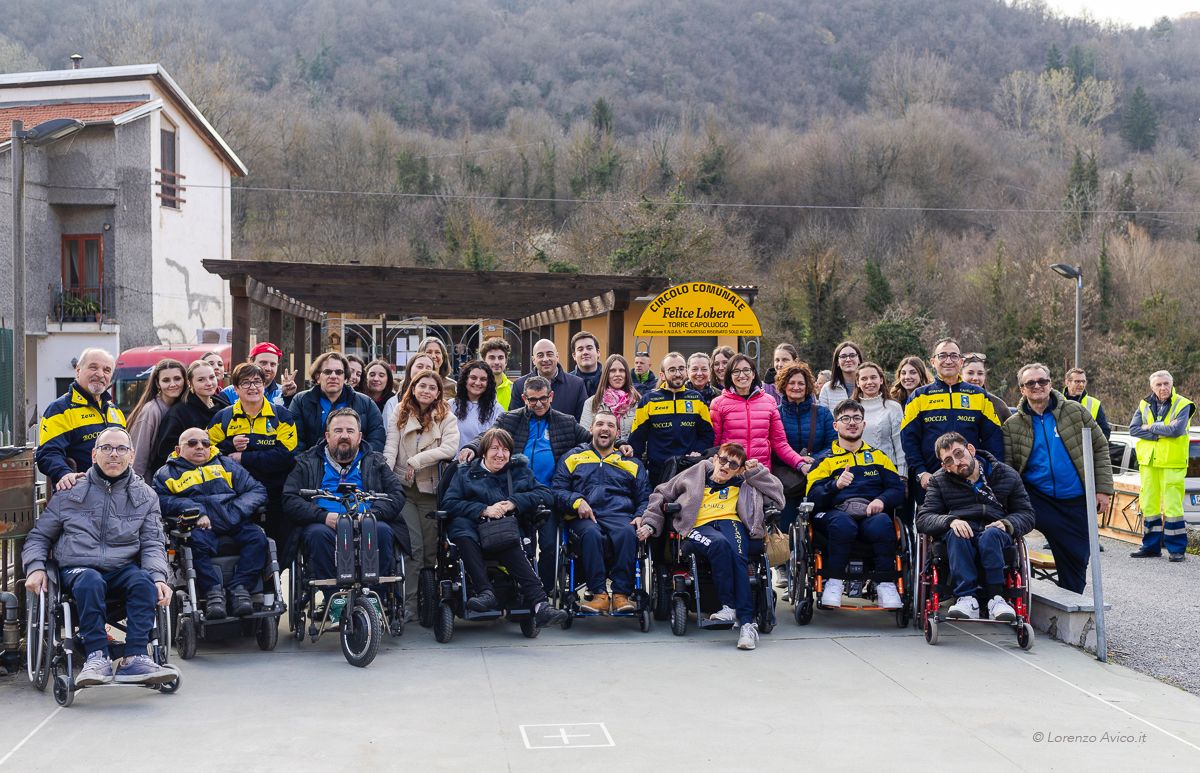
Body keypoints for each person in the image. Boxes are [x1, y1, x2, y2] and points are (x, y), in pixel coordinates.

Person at [23, 427, 175, 686]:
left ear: (131, 455)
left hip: (121, 567)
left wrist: (159, 577)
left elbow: (152, 543)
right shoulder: (69, 491)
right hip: (78, 568)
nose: (113, 454)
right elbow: (39, 537)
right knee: (91, 580)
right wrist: (36, 567)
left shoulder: (146, 495)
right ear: (94, 455)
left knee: (143, 582)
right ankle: (97, 657)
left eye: (121, 449)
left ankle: (135, 657)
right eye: (106, 448)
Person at [639, 442, 785, 650]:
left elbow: (779, 499)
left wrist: (757, 472)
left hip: (731, 523)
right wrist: (650, 523)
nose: (726, 466)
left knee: (739, 557)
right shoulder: (695, 473)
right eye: (723, 460)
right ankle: (729, 607)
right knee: (718, 544)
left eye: (733, 465)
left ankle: (746, 625)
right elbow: (662, 493)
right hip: (696, 526)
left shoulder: (746, 481)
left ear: (740, 469)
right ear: (715, 459)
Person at [461, 376, 591, 592]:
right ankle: (517, 590)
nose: (538, 404)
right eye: (532, 400)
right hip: (515, 492)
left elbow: (591, 439)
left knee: (549, 546)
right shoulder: (509, 419)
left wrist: (621, 444)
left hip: (548, 494)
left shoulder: (566, 421)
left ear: (551, 396)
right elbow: (487, 436)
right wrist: (473, 448)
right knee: (519, 543)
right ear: (523, 398)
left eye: (543, 399)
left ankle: (545, 589)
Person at [441, 427, 569, 628]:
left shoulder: (519, 472)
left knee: (507, 538)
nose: (500, 455)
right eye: (494, 449)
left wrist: (514, 502)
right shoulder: (466, 473)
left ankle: (540, 605)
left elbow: (546, 494)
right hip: (471, 527)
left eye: (505, 450)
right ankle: (486, 592)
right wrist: (484, 509)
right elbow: (448, 503)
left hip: (503, 529)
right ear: (484, 451)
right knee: (463, 534)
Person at [1002, 364, 1112, 592]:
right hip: (1037, 498)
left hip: (1075, 499)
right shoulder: (1012, 426)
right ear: (1022, 389)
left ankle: (1071, 610)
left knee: (1077, 558)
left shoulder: (1075, 412)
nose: (1037, 386)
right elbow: (1008, 468)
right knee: (1005, 536)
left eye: (1042, 381)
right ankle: (1007, 594)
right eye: (1030, 383)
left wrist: (1102, 489)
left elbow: (1100, 447)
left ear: (1050, 384)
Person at [282, 408, 408, 590]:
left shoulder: (376, 461)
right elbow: (289, 498)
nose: (344, 436)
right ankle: (334, 601)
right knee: (316, 535)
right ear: (327, 435)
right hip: (325, 524)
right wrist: (322, 516)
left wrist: (370, 515)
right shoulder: (306, 461)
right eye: (338, 431)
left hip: (367, 521)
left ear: (359, 436)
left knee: (382, 531)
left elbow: (397, 495)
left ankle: (375, 597)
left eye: (350, 431)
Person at [916, 432, 1034, 621]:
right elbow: (924, 518)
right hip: (961, 532)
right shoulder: (939, 481)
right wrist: (950, 521)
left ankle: (997, 598)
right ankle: (966, 598)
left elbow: (1027, 514)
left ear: (970, 449)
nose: (957, 462)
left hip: (996, 530)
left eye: (959, 453)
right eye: (948, 460)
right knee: (956, 533)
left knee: (991, 535)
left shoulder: (1005, 474)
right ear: (944, 466)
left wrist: (1008, 523)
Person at [153, 427, 269, 618]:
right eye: (192, 443)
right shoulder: (166, 473)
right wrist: (195, 511)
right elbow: (161, 500)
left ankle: (240, 589)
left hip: (233, 520)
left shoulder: (226, 465)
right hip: (198, 526)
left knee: (258, 539)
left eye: (205, 443)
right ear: (178, 449)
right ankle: (213, 592)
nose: (200, 447)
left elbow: (257, 490)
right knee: (195, 544)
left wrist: (234, 511)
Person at [806, 400, 907, 609]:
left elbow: (897, 489)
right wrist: (835, 486)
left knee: (882, 524)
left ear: (863, 424)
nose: (851, 423)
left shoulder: (879, 457)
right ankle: (833, 581)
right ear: (836, 425)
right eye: (845, 418)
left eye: (856, 418)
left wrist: (881, 500)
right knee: (843, 524)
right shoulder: (823, 460)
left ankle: (885, 584)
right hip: (834, 514)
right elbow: (813, 497)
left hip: (870, 513)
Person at [553, 409, 650, 614]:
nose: (604, 429)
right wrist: (576, 501)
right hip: (584, 517)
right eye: (600, 424)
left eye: (610, 425)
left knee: (627, 533)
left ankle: (621, 595)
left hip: (620, 515)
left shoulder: (631, 463)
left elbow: (644, 497)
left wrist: (640, 515)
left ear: (617, 433)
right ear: (591, 429)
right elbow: (557, 490)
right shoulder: (572, 457)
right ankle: (599, 595)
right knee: (591, 534)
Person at [384, 371, 459, 616]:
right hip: (404, 491)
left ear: (438, 392)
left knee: (430, 551)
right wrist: (384, 477)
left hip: (430, 490)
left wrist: (417, 460)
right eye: (422, 386)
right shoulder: (400, 412)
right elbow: (390, 448)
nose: (426, 390)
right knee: (413, 548)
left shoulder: (447, 416)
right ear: (413, 387)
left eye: (432, 387)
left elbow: (449, 449)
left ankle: (431, 599)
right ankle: (410, 606)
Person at [900, 338, 1004, 502]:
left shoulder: (978, 395)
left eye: (954, 356)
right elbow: (908, 440)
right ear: (933, 361)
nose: (948, 360)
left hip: (971, 477)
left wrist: (994, 471)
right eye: (942, 355)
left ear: (961, 362)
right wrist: (921, 472)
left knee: (974, 525)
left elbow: (993, 437)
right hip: (932, 479)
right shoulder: (919, 396)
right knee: (934, 525)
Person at [208, 363, 300, 544]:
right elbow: (207, 452)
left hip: (276, 491)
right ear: (235, 389)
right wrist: (229, 445)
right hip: (236, 493)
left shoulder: (281, 416)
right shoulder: (223, 418)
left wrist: (244, 457)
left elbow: (286, 456)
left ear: (264, 386)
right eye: (246, 383)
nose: (253, 387)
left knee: (280, 542)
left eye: (257, 382)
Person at [36, 348, 127, 491]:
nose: (100, 374)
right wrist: (65, 474)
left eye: (107, 370)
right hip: (78, 496)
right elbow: (48, 454)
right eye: (93, 367)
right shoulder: (60, 409)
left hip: (116, 493)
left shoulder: (115, 411)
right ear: (78, 371)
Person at [1128, 370, 1194, 562]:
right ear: (1152, 387)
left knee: (1173, 508)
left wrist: (1149, 427)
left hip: (1172, 463)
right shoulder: (1144, 404)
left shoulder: (1183, 404)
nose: (1163, 388)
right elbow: (1133, 429)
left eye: (1166, 384)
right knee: (1149, 505)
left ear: (1172, 384)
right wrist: (1159, 432)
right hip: (1149, 463)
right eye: (1159, 385)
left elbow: (1176, 430)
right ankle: (1150, 547)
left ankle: (1176, 550)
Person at [710, 354, 806, 473]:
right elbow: (714, 444)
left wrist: (800, 463)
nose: (742, 375)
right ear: (730, 375)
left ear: (753, 374)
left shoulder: (769, 401)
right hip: (730, 474)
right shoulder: (718, 404)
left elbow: (780, 443)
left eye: (746, 370)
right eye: (736, 371)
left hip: (760, 473)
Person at [629, 352, 715, 484]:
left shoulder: (696, 399)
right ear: (662, 375)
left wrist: (696, 452)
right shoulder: (649, 400)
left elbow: (707, 434)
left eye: (681, 369)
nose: (678, 373)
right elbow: (636, 439)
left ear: (686, 372)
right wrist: (636, 468)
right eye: (672, 370)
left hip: (690, 470)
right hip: (658, 472)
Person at [774, 361, 836, 535]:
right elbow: (773, 447)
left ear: (808, 386)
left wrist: (814, 460)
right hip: (787, 483)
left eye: (801, 383)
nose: (796, 387)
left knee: (819, 530)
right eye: (791, 383)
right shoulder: (775, 413)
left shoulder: (822, 413)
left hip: (817, 478)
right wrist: (798, 462)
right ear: (783, 385)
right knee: (785, 530)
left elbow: (833, 444)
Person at [291, 351, 386, 451]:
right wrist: (310, 465)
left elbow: (377, 440)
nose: (333, 376)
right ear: (317, 377)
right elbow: (294, 442)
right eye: (327, 372)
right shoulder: (300, 401)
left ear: (345, 378)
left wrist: (358, 462)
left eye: (339, 372)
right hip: (309, 464)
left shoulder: (367, 404)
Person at [151, 360, 230, 476]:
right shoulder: (179, 412)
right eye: (201, 380)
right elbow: (166, 452)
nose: (209, 383)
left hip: (226, 471)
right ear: (190, 383)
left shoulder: (224, 405)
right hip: (190, 476)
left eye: (211, 377)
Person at [126, 358, 186, 479]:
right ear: (158, 384)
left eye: (177, 378)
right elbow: (138, 458)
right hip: (150, 483)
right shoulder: (150, 411)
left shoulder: (183, 407)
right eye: (166, 380)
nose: (173, 384)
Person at [508, 338, 588, 420]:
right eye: (540, 355)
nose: (545, 359)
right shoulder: (519, 385)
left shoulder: (577, 385)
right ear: (533, 360)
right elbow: (514, 421)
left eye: (550, 354)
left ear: (557, 356)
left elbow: (582, 421)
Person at [852, 362, 906, 477]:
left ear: (881, 380)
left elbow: (900, 444)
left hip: (888, 471)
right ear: (858, 383)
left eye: (873, 377)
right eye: (864, 379)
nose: (869, 382)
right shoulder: (850, 409)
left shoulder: (893, 407)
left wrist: (902, 475)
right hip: (857, 472)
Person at [580, 354, 638, 440]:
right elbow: (585, 436)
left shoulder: (636, 402)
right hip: (600, 452)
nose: (617, 374)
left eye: (621, 370)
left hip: (631, 452)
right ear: (606, 374)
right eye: (613, 371)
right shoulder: (592, 403)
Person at [219, 342, 294, 407]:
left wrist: (288, 398)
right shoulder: (228, 394)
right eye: (263, 363)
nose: (268, 368)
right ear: (250, 361)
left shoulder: (283, 393)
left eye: (273, 364)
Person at [452, 360, 501, 453]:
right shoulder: (450, 406)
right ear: (465, 379)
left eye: (483, 379)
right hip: (454, 463)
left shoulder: (497, 410)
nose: (478, 383)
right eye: (473, 378)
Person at [384, 353, 437, 428]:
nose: (423, 370)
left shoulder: (440, 406)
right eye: (419, 366)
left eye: (428, 368)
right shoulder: (393, 403)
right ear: (410, 369)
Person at [1063, 368, 1111, 439]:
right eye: (1077, 381)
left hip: (1087, 449)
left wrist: (1093, 447)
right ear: (1067, 382)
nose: (1081, 385)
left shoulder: (1095, 404)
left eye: (1083, 381)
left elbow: (1105, 432)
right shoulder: (1056, 403)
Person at [963, 353, 1011, 420]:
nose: (975, 378)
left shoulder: (998, 405)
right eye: (970, 373)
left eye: (980, 373)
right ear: (960, 374)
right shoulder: (949, 401)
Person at [819, 341, 864, 410]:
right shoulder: (827, 389)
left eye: (852, 355)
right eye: (843, 356)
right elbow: (823, 418)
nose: (848, 359)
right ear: (837, 362)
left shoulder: (868, 386)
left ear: (859, 360)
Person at [479, 337, 515, 410]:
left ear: (506, 362)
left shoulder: (513, 389)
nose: (496, 362)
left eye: (500, 358)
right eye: (492, 358)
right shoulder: (476, 388)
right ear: (483, 361)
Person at [570, 331, 603, 397]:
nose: (585, 352)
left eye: (589, 348)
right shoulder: (567, 382)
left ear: (598, 352)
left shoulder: (609, 379)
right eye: (580, 349)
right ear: (574, 356)